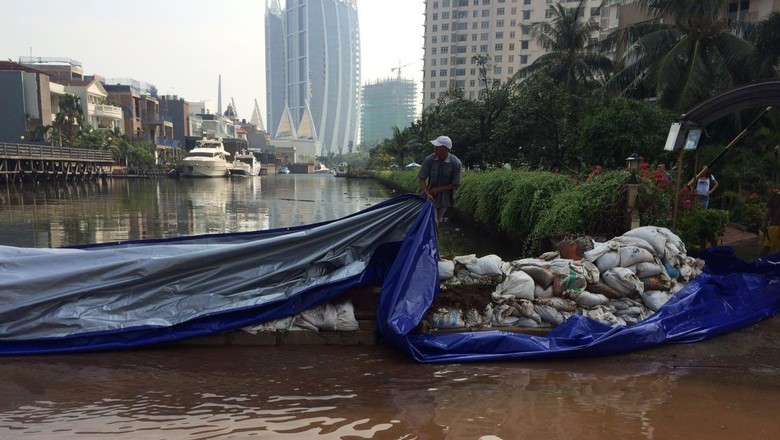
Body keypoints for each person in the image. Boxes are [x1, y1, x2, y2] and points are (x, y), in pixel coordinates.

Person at [417, 135, 462, 224]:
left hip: (445, 198)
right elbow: (421, 179)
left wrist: (437, 189)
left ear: (445, 149)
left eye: (437, 147)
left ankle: (435, 237)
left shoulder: (456, 163)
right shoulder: (429, 160)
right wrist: (427, 193)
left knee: (438, 219)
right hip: (430, 196)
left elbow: (456, 183)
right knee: (433, 220)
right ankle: (434, 237)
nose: (435, 148)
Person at [761, 188, 780, 257]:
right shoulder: (775, 196)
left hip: (774, 225)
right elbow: (769, 211)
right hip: (774, 225)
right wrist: (765, 223)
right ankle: (760, 261)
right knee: (767, 245)